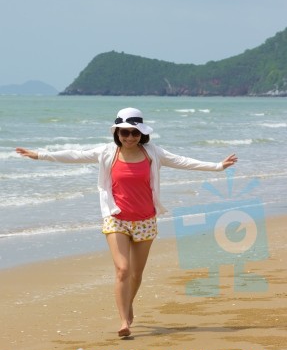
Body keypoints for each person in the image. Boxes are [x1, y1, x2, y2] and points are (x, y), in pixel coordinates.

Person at [16, 107, 237, 337]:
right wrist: (39, 155)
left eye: (134, 133)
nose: (129, 137)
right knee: (123, 269)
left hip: (145, 220)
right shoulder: (106, 152)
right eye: (124, 133)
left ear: (141, 134)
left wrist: (217, 166)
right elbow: (74, 154)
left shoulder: (153, 153)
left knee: (136, 275)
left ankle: (128, 303)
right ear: (117, 133)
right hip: (116, 218)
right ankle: (124, 321)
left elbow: (182, 161)